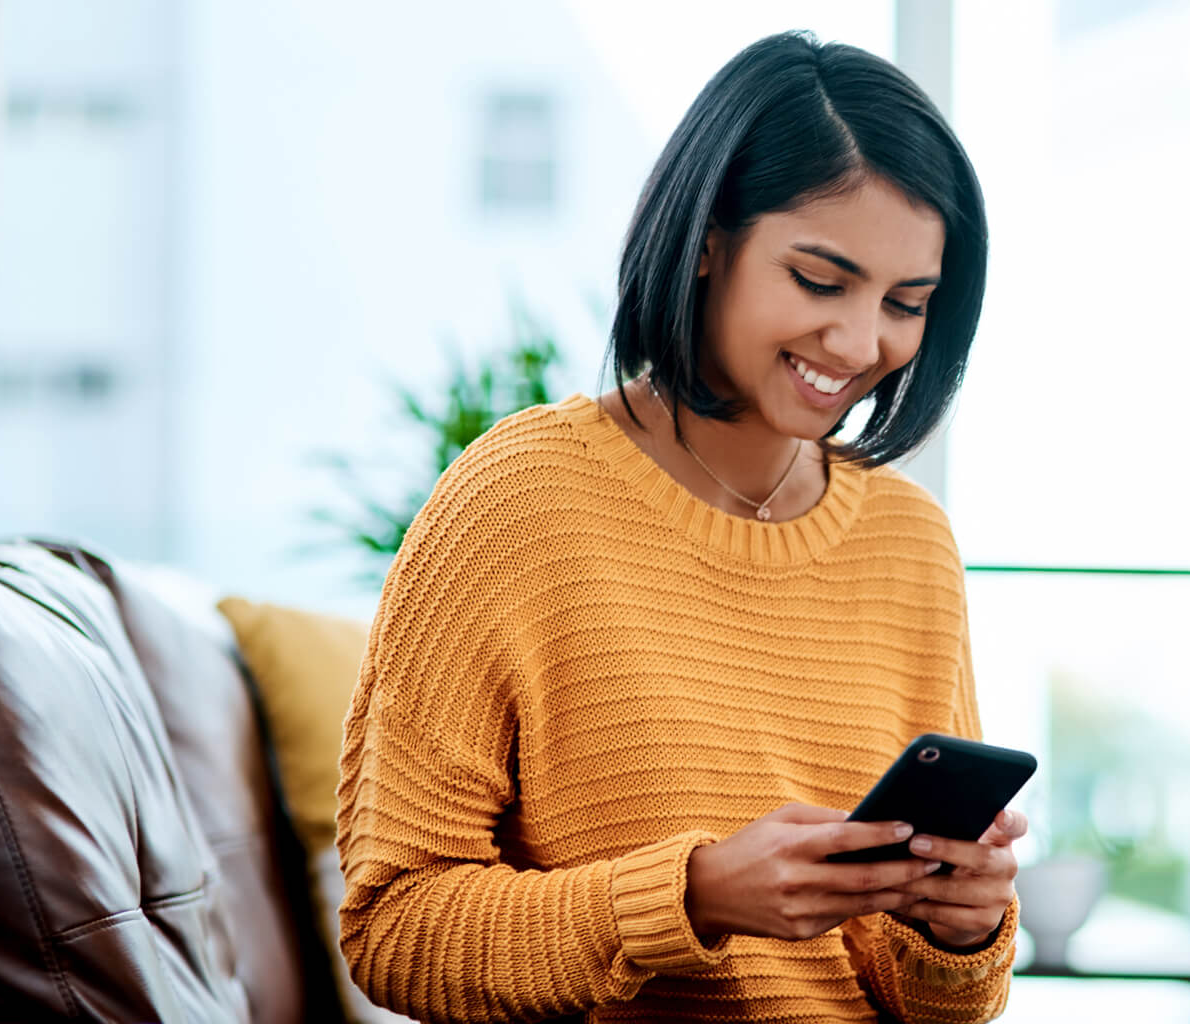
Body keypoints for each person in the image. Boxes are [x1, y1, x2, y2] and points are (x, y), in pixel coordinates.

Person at [335, 29, 1028, 1024]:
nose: (859, 341)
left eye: (905, 303)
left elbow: (935, 1005)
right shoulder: (515, 501)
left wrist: (955, 930)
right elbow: (396, 934)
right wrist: (693, 896)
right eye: (819, 280)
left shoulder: (907, 543)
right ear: (707, 239)